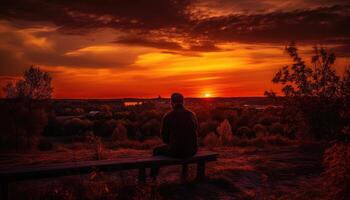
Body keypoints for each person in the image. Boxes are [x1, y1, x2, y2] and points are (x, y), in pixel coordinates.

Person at [153, 93, 198, 158]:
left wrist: (173, 143)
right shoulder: (192, 115)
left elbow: (164, 137)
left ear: (171, 102)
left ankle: (155, 167)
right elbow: (195, 130)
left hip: (176, 151)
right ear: (183, 102)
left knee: (156, 150)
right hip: (192, 150)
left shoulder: (168, 116)